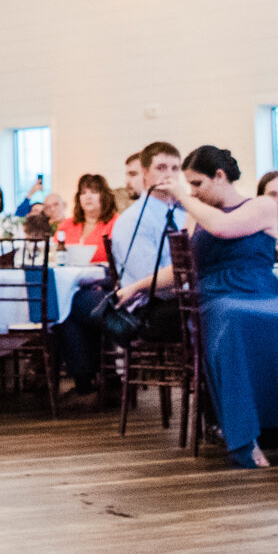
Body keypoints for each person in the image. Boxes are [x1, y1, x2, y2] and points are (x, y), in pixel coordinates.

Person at [139, 148, 278, 467]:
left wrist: (183, 198)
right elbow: (182, 267)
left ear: (219, 176)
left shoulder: (262, 204)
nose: (194, 191)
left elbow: (224, 228)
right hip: (216, 295)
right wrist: (135, 288)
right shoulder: (197, 213)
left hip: (259, 287)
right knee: (233, 323)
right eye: (189, 186)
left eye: (198, 183)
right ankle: (246, 436)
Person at [59, 142, 186, 395]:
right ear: (146, 173)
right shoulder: (130, 222)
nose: (168, 175)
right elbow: (151, 284)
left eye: (175, 168)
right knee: (210, 313)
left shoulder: (184, 213)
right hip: (147, 310)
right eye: (161, 167)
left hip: (178, 300)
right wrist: (193, 285)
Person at [62, 173, 120, 261]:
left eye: (94, 192)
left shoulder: (116, 224)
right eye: (83, 193)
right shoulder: (66, 225)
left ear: (104, 196)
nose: (88, 197)